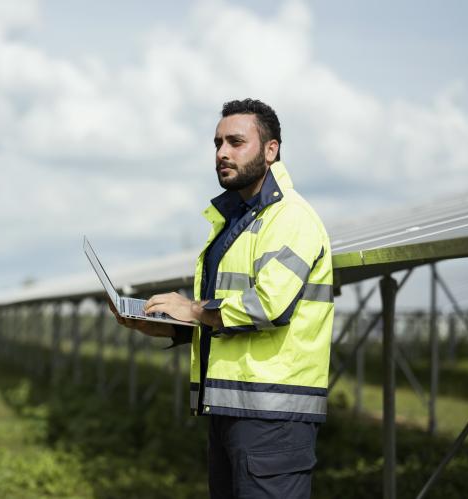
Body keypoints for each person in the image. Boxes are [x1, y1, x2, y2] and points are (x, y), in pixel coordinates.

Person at [109, 99, 333, 499]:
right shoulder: (235, 221)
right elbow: (224, 315)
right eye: (217, 143)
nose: (221, 153)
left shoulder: (290, 218)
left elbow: (268, 306)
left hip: (273, 418)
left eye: (235, 142)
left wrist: (191, 309)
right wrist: (170, 327)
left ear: (270, 150)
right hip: (231, 409)